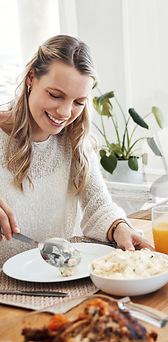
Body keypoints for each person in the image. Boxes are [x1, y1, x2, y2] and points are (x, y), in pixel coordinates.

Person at [0, 35, 152, 266]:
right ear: (31, 77)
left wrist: (119, 227)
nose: (64, 112)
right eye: (55, 95)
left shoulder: (74, 140)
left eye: (78, 102)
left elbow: (97, 205)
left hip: (55, 278)